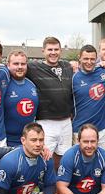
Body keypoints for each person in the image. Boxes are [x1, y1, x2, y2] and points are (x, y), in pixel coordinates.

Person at [26, 37, 74, 169]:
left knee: (63, 157)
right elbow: (16, 68)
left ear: (61, 50)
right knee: (44, 157)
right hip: (46, 122)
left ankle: (58, 180)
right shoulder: (33, 67)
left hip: (66, 122)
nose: (53, 52)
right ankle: (44, 180)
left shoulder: (67, 66)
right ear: (43, 51)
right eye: (50, 50)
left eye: (56, 49)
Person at [72, 44, 105, 149]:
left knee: (102, 157)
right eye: (86, 59)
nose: (89, 62)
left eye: (92, 59)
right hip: (79, 129)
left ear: (97, 59)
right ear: (79, 58)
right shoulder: (73, 78)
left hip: (101, 129)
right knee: (80, 158)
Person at [4, 50, 39, 147]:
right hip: (7, 141)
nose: (20, 67)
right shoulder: (3, 84)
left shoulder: (31, 84)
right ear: (8, 65)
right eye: (16, 64)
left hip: (28, 140)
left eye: (23, 64)